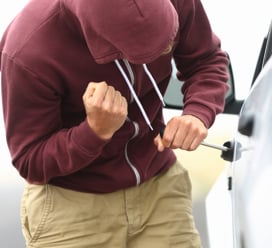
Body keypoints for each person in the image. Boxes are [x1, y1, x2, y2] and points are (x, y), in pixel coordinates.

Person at [0, 0, 229, 247]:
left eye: (167, 43)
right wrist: (94, 132)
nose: (165, 52)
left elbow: (205, 60)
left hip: (160, 188)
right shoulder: (27, 49)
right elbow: (30, 159)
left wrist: (197, 112)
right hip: (71, 207)